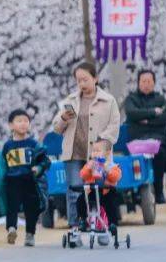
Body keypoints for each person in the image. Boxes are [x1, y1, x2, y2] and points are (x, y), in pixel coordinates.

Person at [50, 62, 120, 247]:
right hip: (74, 153)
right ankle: (75, 228)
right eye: (78, 80)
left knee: (99, 191)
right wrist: (63, 118)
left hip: (97, 155)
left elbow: (114, 127)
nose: (82, 83)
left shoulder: (109, 100)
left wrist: (102, 143)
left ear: (95, 78)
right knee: (74, 190)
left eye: (85, 79)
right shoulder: (71, 100)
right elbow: (56, 128)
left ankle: (101, 225)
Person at [124, 69, 166, 223]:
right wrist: (154, 112)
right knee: (158, 151)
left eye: (149, 81)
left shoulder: (160, 98)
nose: (146, 84)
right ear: (138, 83)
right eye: (143, 81)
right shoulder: (131, 99)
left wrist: (146, 120)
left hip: (162, 143)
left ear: (154, 82)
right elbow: (132, 113)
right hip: (141, 144)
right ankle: (158, 190)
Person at [0, 109, 50, 247]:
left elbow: (45, 161)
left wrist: (38, 168)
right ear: (11, 125)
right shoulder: (7, 146)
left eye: (26, 121)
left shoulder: (34, 144)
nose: (23, 124)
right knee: (12, 206)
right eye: (19, 121)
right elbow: (1, 165)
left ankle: (30, 234)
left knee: (31, 207)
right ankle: (11, 228)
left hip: (30, 180)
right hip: (12, 180)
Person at [77, 139, 122, 228]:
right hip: (92, 192)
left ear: (107, 153)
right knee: (80, 200)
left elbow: (116, 177)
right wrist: (88, 169)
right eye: (93, 151)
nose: (95, 153)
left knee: (112, 203)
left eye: (97, 151)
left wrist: (107, 171)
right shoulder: (90, 164)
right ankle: (82, 219)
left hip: (106, 192)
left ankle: (112, 222)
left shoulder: (112, 166)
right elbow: (82, 175)